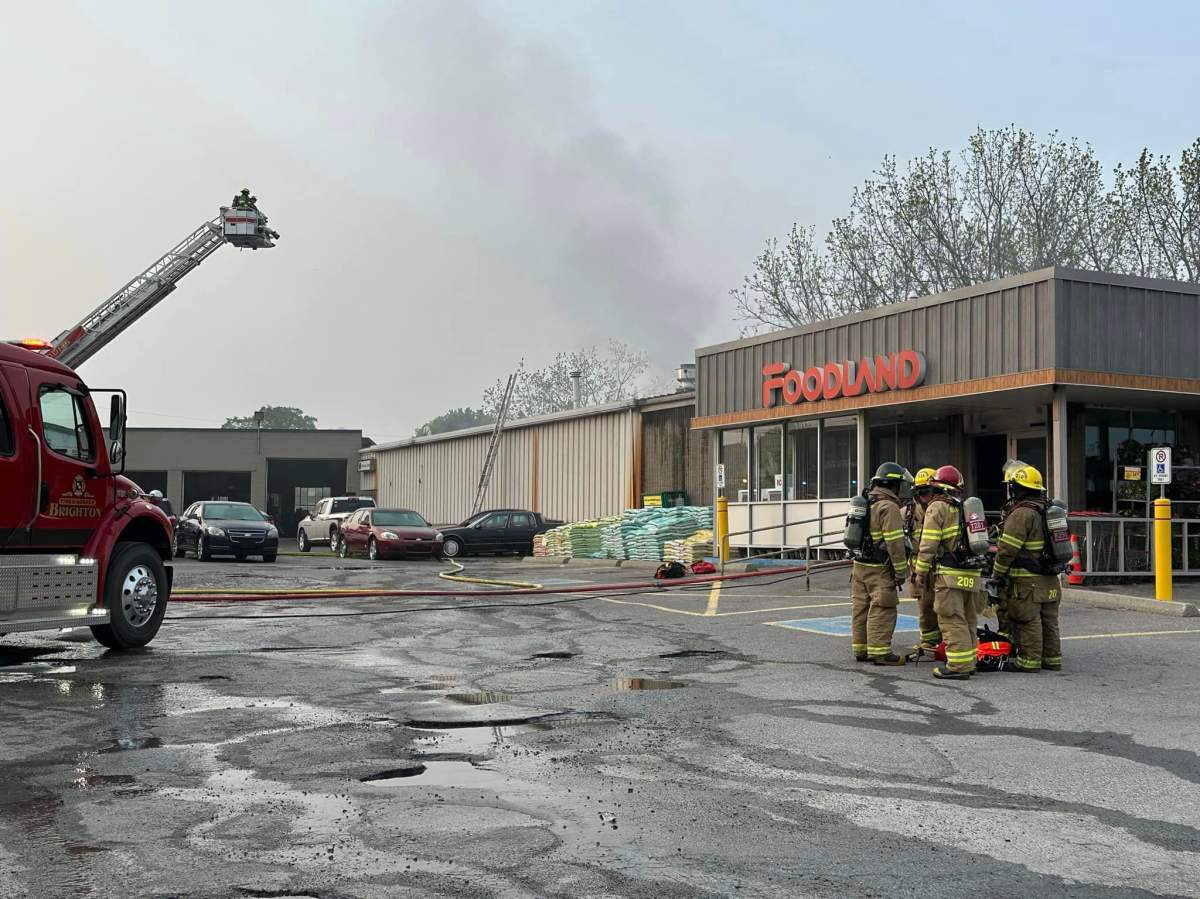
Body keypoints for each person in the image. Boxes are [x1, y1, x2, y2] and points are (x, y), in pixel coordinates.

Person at [988, 465, 1063, 672]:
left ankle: (1028, 661)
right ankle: (1052, 659)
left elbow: (1006, 551)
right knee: (1049, 622)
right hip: (1050, 578)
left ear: (1019, 488)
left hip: (1028, 581)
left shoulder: (1022, 513)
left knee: (1027, 620)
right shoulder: (1048, 510)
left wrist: (996, 575)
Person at [913, 465, 982, 680]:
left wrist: (920, 572)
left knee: (951, 619)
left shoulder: (937, 507)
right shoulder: (964, 506)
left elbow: (928, 544)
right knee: (968, 619)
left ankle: (959, 667)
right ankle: (969, 662)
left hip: (949, 574)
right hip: (971, 573)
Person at [849, 462, 913, 666]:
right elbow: (895, 544)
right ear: (893, 484)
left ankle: (862, 649)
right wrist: (901, 571)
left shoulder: (867, 502)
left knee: (861, 607)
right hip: (880, 569)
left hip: (859, 567)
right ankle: (880, 652)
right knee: (882, 607)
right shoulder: (889, 507)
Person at [906, 467, 940, 652]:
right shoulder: (909, 512)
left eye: (926, 491)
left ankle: (948, 638)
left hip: (943, 566)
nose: (923, 496)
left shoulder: (945, 508)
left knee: (946, 605)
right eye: (919, 492)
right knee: (925, 605)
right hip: (920, 566)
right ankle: (929, 639)